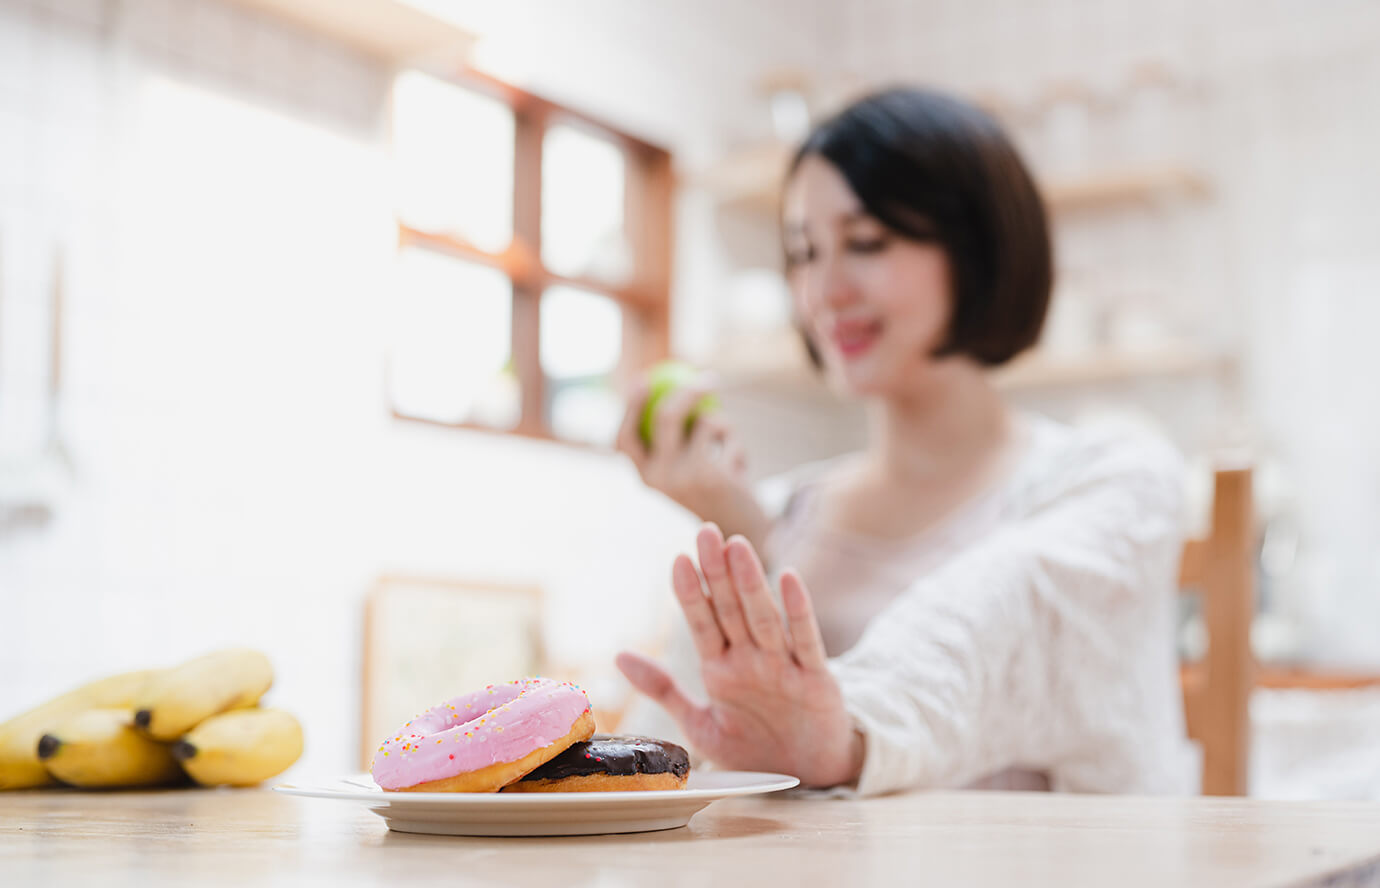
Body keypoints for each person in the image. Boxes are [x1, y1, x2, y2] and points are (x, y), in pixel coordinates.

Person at [613, 87, 1195, 796]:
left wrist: (847, 732)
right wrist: (743, 545)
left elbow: (995, 626)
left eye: (866, 243)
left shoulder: (1111, 480)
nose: (824, 291)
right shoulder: (777, 511)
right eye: (802, 253)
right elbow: (670, 762)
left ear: (977, 248)